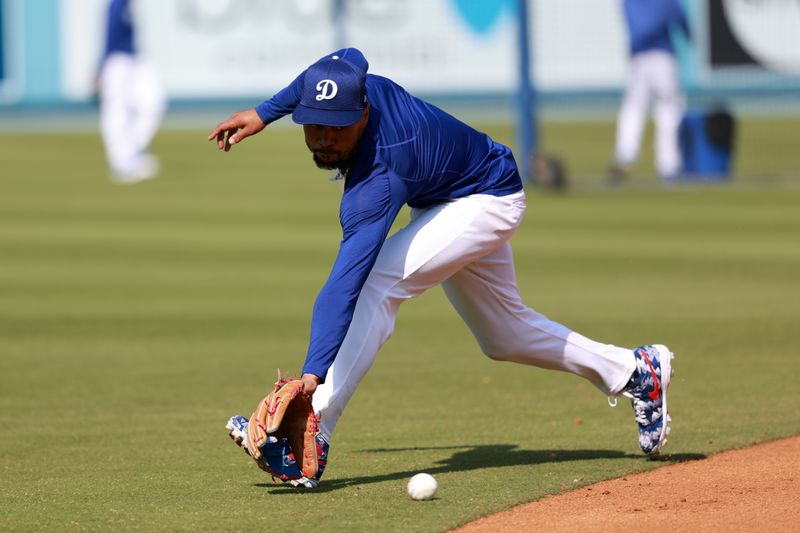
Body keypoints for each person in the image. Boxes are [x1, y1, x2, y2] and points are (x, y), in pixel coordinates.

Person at [210, 48, 673, 488]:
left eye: (339, 127)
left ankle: (312, 433)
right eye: (315, 125)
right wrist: (265, 112)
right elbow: (327, 71)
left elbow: (346, 282)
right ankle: (635, 371)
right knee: (504, 335)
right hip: (450, 201)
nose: (326, 137)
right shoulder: (353, 78)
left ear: (364, 112)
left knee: (376, 282)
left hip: (487, 200)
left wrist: (312, 375)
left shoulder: (380, 176)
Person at [610, 0, 690, 183]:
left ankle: (625, 156)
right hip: (662, 56)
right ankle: (668, 166)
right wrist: (688, 34)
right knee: (668, 110)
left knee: (633, 108)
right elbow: (678, 18)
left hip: (638, 57)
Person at [97, 0, 166, 183]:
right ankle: (122, 162)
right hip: (116, 61)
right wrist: (100, 66)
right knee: (116, 111)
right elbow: (109, 36)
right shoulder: (116, 5)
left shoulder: (127, 4)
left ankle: (132, 153)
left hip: (134, 58)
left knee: (153, 102)